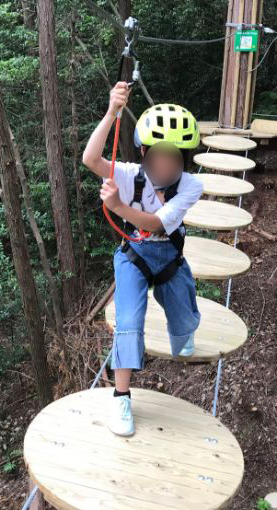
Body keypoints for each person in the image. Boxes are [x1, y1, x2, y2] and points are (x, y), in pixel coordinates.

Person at [82, 82, 203, 436]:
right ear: (145, 153)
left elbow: (156, 223)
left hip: (168, 256)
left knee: (183, 321)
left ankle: (185, 330)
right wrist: (111, 113)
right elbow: (91, 160)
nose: (164, 164)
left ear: (185, 159)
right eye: (158, 155)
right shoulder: (131, 174)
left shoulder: (190, 187)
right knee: (129, 321)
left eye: (174, 157)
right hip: (133, 256)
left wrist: (118, 206)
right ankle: (121, 397)